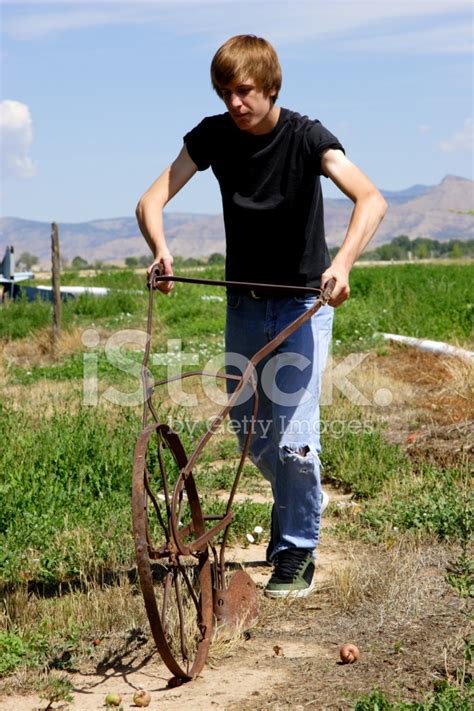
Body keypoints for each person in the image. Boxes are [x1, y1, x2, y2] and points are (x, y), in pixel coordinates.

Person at [136, 34, 387, 599]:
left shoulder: (307, 137)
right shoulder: (213, 137)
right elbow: (150, 201)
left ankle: (296, 552)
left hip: (302, 304)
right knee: (251, 436)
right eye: (225, 92)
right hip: (243, 306)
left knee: (296, 442)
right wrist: (161, 250)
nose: (234, 103)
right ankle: (303, 496)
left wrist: (342, 264)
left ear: (271, 87)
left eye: (243, 91)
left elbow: (370, 199)